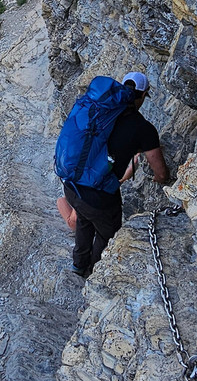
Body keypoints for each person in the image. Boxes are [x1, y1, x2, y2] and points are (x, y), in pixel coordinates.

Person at [63, 72, 168, 278]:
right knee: (108, 234)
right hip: (99, 197)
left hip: (73, 184)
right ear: (143, 95)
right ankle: (96, 273)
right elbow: (161, 171)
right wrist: (161, 179)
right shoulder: (143, 128)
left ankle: (78, 265)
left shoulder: (101, 112)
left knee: (85, 220)